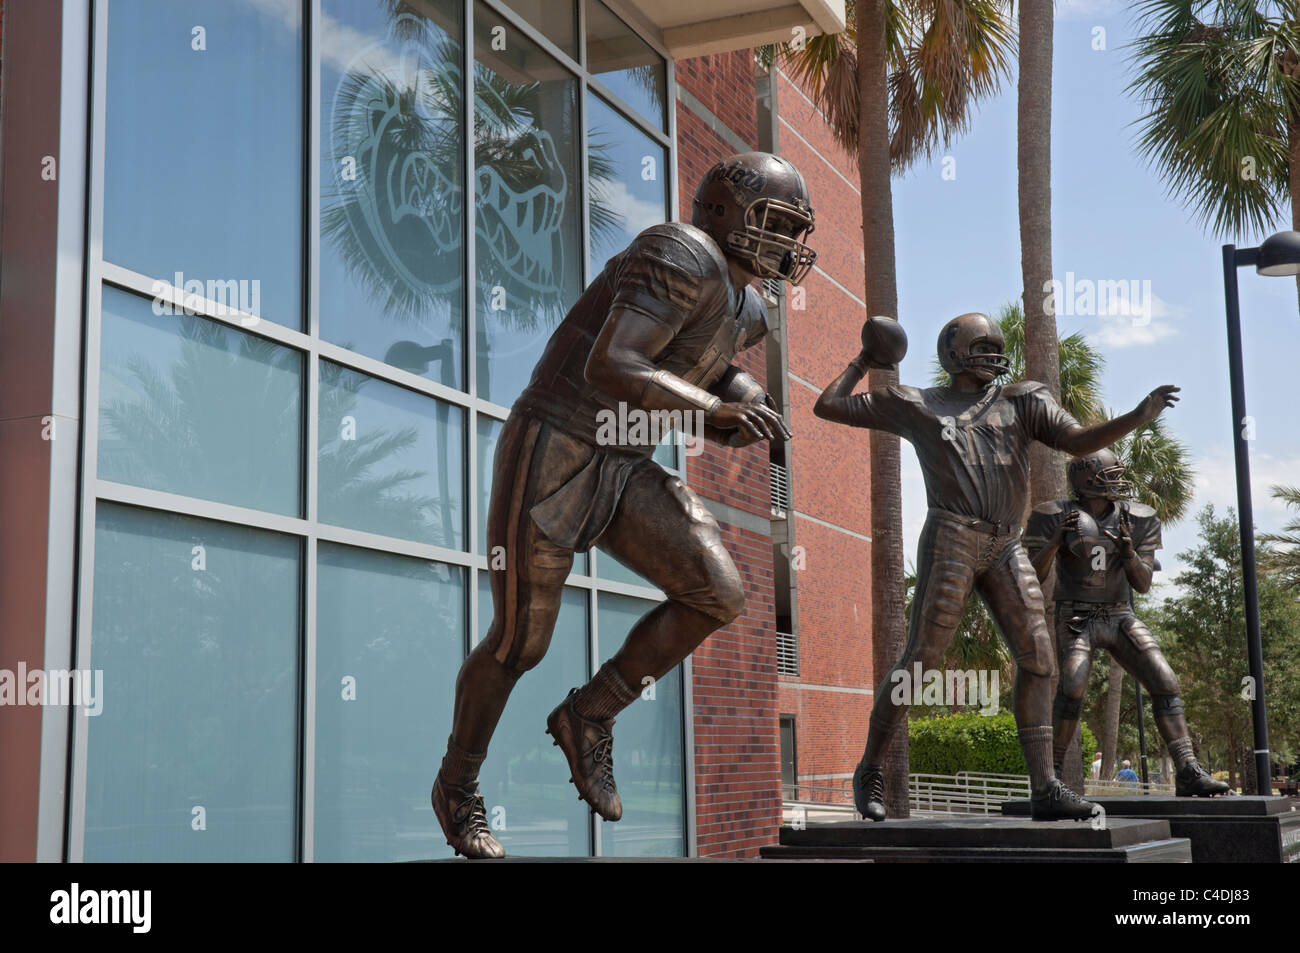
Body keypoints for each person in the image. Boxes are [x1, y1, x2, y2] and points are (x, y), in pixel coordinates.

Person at [431, 152, 817, 858]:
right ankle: (456, 783)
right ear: (725, 212)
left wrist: (739, 404)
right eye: (778, 223)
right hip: (557, 435)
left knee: (718, 591)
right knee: (522, 640)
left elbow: (699, 373)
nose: (790, 243)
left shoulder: (749, 308)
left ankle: (591, 713)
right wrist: (714, 402)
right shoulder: (680, 251)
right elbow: (612, 363)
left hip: (626, 458)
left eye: (796, 229)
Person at [815, 312, 1180, 821]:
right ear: (951, 352)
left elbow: (1077, 442)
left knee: (1040, 660)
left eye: (996, 345)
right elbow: (828, 405)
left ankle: (1045, 787)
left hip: (1007, 544)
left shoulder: (1022, 400)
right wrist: (864, 361)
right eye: (981, 344)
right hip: (953, 537)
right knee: (921, 661)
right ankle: (870, 768)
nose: (993, 352)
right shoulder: (919, 403)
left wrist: (1139, 415)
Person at [1023, 449, 1229, 797]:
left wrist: (1130, 553)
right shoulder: (1055, 515)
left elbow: (1143, 583)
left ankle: (1188, 770)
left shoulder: (1137, 517)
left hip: (1119, 612)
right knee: (1072, 687)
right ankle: (1051, 776)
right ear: (1086, 480)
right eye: (1109, 475)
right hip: (1076, 614)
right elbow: (1035, 573)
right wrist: (1056, 540)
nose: (1117, 481)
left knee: (1164, 679)